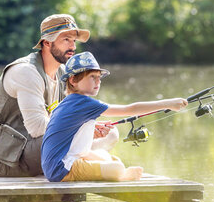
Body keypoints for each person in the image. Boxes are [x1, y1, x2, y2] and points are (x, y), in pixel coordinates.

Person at [0, 14, 118, 177]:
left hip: (42, 146)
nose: (72, 47)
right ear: (47, 42)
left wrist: (87, 125)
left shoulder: (63, 73)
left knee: (111, 134)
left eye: (73, 41)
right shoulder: (26, 72)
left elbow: (65, 116)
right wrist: (79, 127)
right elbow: (36, 127)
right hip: (10, 159)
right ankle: (91, 165)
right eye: (66, 40)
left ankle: (85, 163)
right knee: (81, 136)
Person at [41, 52, 188, 182]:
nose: (98, 81)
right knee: (116, 168)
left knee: (107, 157)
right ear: (73, 80)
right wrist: (167, 104)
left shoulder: (69, 102)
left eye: (99, 77)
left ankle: (117, 171)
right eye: (92, 77)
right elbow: (130, 109)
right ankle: (122, 175)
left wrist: (93, 126)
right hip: (61, 169)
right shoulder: (83, 102)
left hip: (58, 164)